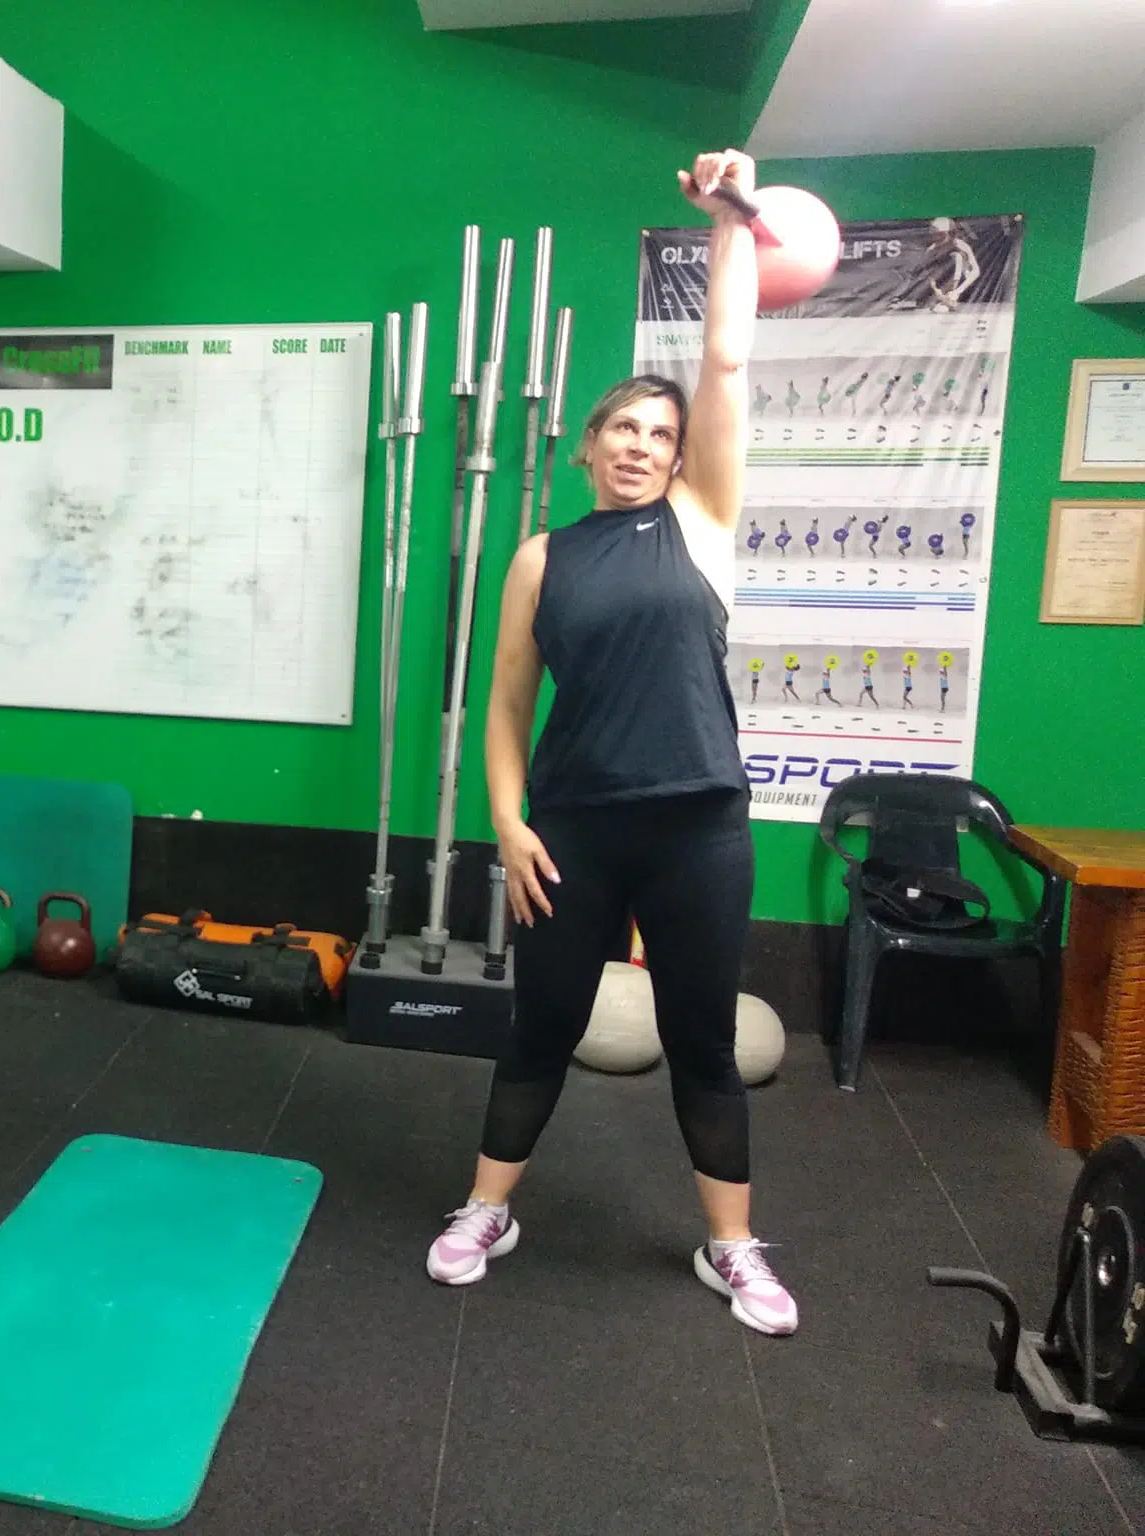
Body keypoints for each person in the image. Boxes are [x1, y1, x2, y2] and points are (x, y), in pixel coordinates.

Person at [424, 149, 799, 1337]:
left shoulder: (702, 523)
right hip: (572, 833)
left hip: (696, 828)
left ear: (681, 458)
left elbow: (724, 359)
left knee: (700, 1043)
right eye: (621, 429)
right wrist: (504, 821)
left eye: (658, 433)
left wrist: (727, 222)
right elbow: (503, 707)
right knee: (540, 1027)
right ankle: (486, 1210)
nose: (639, 444)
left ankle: (730, 1247)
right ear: (585, 446)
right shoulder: (541, 558)